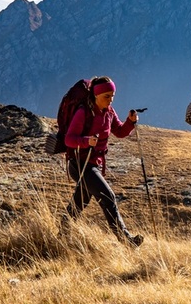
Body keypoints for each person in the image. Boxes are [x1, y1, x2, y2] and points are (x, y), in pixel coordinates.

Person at [61, 76, 144, 247]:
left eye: (112, 95)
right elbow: (69, 139)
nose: (110, 99)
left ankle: (61, 233)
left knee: (81, 201)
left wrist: (130, 122)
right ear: (96, 95)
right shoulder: (83, 112)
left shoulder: (109, 112)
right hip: (79, 164)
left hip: (93, 165)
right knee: (108, 197)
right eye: (107, 96)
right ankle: (126, 241)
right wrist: (86, 141)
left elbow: (119, 131)